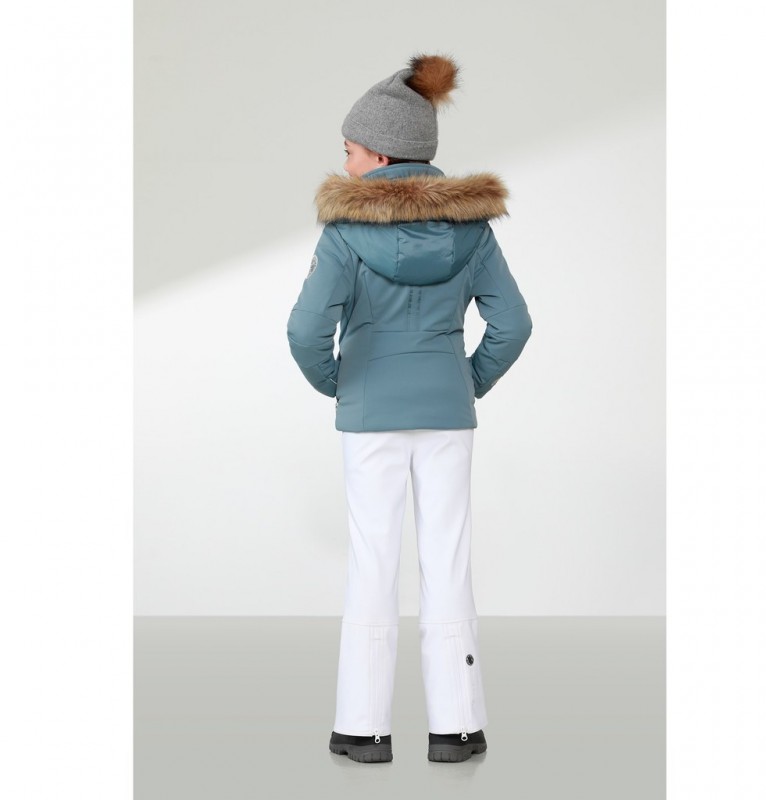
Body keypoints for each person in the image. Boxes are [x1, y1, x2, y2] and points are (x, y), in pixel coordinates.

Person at [287, 53, 533, 763]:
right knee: (447, 559)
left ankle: (363, 729)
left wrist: (341, 383)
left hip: (370, 415)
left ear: (381, 154)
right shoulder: (472, 230)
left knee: (373, 560)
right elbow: (513, 324)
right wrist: (467, 380)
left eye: (350, 150)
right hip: (447, 413)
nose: (345, 162)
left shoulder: (345, 232)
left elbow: (305, 331)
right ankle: (457, 729)